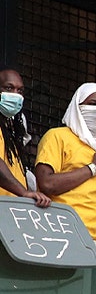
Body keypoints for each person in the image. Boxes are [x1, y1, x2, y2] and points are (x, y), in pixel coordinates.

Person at [34, 83, 96, 242]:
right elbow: (47, 184)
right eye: (93, 104)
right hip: (60, 234)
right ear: (77, 106)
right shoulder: (57, 137)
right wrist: (94, 168)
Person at [0, 68, 49, 207]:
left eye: (20, 91)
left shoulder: (10, 132)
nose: (15, 94)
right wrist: (24, 192)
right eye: (9, 88)